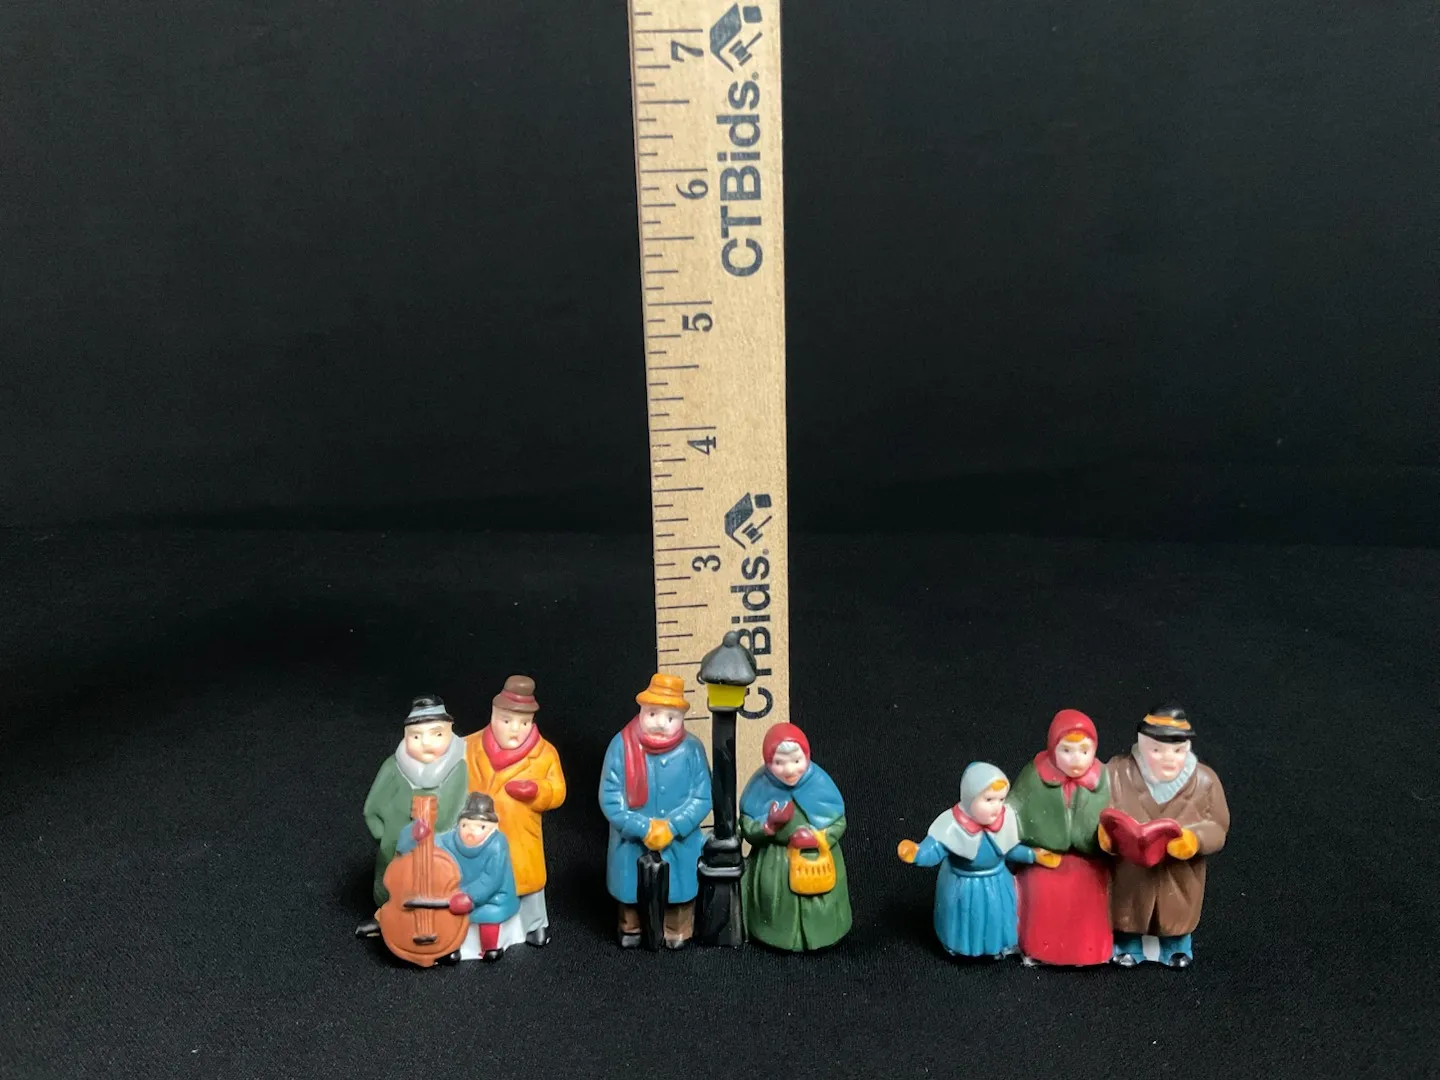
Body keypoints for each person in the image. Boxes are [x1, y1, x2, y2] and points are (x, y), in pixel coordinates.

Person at [1101, 705, 1231, 968]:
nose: (1168, 759)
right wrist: (1105, 834)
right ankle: (1128, 945)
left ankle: (1176, 947)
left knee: (1176, 912)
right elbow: (1097, 808)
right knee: (1129, 908)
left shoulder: (1205, 781)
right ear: (1142, 745)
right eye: (1157, 750)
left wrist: (1195, 839)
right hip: (1131, 870)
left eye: (1177, 751)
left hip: (1179, 872)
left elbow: (1218, 825)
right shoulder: (1116, 772)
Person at [898, 762, 1060, 959]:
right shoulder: (951, 826)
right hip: (963, 884)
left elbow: (1008, 850)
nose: (996, 806)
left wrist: (1033, 855)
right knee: (965, 918)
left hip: (997, 882)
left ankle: (997, 946)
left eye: (1001, 799)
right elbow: (935, 849)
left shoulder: (1006, 820)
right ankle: (959, 947)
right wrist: (916, 853)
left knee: (996, 916)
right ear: (970, 797)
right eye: (989, 799)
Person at [598, 673, 712, 948]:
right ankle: (631, 926)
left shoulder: (692, 749)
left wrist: (672, 827)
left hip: (679, 840)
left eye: (670, 717)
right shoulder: (621, 746)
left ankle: (677, 927)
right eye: (652, 714)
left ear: (682, 718)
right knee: (630, 889)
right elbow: (610, 798)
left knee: (678, 889)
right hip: (631, 839)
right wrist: (643, 828)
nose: (660, 723)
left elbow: (702, 797)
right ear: (641, 710)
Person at [465, 675, 566, 947]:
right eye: (507, 720)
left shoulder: (545, 754)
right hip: (477, 832)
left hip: (520, 831)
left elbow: (558, 791)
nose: (515, 729)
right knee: (481, 880)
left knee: (527, 881)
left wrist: (537, 791)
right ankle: (478, 930)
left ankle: (534, 925)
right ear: (493, 714)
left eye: (524, 722)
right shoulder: (468, 746)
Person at [1007, 709, 1113, 966]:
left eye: (1084, 751)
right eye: (1067, 750)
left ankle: (1089, 952)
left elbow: (1116, 812)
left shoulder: (1104, 778)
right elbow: (1013, 808)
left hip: (1090, 858)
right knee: (1042, 894)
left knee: (1092, 896)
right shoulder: (1034, 775)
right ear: (1053, 748)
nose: (1076, 759)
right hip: (1044, 857)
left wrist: (1109, 837)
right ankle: (1040, 949)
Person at [358, 695, 468, 936]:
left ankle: (442, 926)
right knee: (390, 883)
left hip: (440, 847)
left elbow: (454, 811)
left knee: (439, 886)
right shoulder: (394, 766)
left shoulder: (457, 768)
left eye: (436, 734)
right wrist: (386, 838)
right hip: (395, 844)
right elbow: (371, 807)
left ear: (449, 731)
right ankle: (384, 917)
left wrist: (439, 837)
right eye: (416, 736)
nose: (426, 743)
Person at [738, 722, 853, 951]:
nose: (789, 770)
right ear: (768, 761)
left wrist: (817, 838)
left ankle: (823, 934)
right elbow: (747, 825)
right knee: (773, 899)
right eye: (779, 763)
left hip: (816, 860)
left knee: (821, 903)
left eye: (797, 761)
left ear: (807, 757)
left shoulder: (820, 783)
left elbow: (838, 822)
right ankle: (773, 934)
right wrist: (769, 826)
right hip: (775, 862)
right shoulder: (760, 786)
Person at [396, 792, 519, 961]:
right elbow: (430, 846)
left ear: (492, 828)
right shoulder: (450, 840)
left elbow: (491, 878)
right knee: (445, 916)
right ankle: (451, 948)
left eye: (481, 827)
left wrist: (470, 896)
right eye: (465, 825)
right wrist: (417, 835)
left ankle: (490, 947)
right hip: (455, 893)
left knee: (489, 917)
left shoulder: (497, 845)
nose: (471, 832)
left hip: (492, 896)